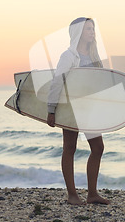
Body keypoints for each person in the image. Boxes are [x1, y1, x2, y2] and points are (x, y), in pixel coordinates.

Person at [46, 17, 110, 205]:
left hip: (90, 109)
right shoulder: (69, 56)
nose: (92, 32)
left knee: (98, 148)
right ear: (79, 32)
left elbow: (101, 83)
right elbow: (57, 82)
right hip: (71, 108)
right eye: (88, 28)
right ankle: (72, 195)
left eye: (93, 28)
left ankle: (92, 194)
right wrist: (52, 109)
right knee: (70, 148)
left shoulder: (95, 56)